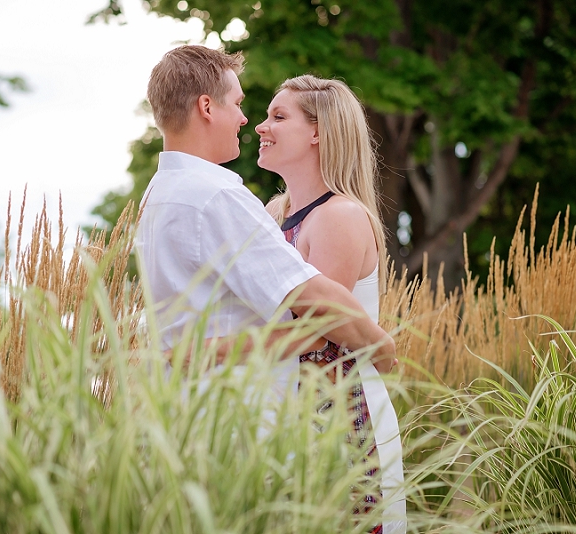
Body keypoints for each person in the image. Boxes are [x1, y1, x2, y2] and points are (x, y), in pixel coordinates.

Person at [135, 44, 395, 407]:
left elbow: (317, 324)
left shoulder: (161, 193)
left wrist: (208, 349)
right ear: (207, 107)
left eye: (279, 117)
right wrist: (384, 344)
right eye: (239, 104)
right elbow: (318, 308)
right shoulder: (219, 196)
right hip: (239, 412)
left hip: (336, 408)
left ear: (318, 133)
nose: (250, 122)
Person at [257, 74, 406, 534]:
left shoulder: (338, 215)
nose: (261, 126)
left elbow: (317, 337)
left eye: (278, 117)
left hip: (343, 418)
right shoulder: (272, 213)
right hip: (288, 415)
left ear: (319, 132)